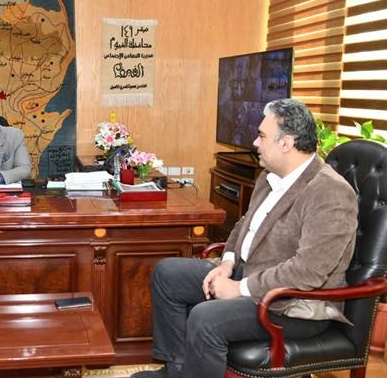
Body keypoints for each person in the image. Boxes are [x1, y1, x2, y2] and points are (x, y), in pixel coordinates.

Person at [132, 98, 358, 378]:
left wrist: (239, 288)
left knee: (205, 317)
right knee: (168, 274)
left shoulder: (330, 192)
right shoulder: (270, 176)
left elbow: (308, 271)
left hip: (293, 302)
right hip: (249, 273)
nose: (255, 142)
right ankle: (177, 372)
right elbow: (244, 225)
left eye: (262, 136)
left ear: (286, 143)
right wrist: (227, 263)